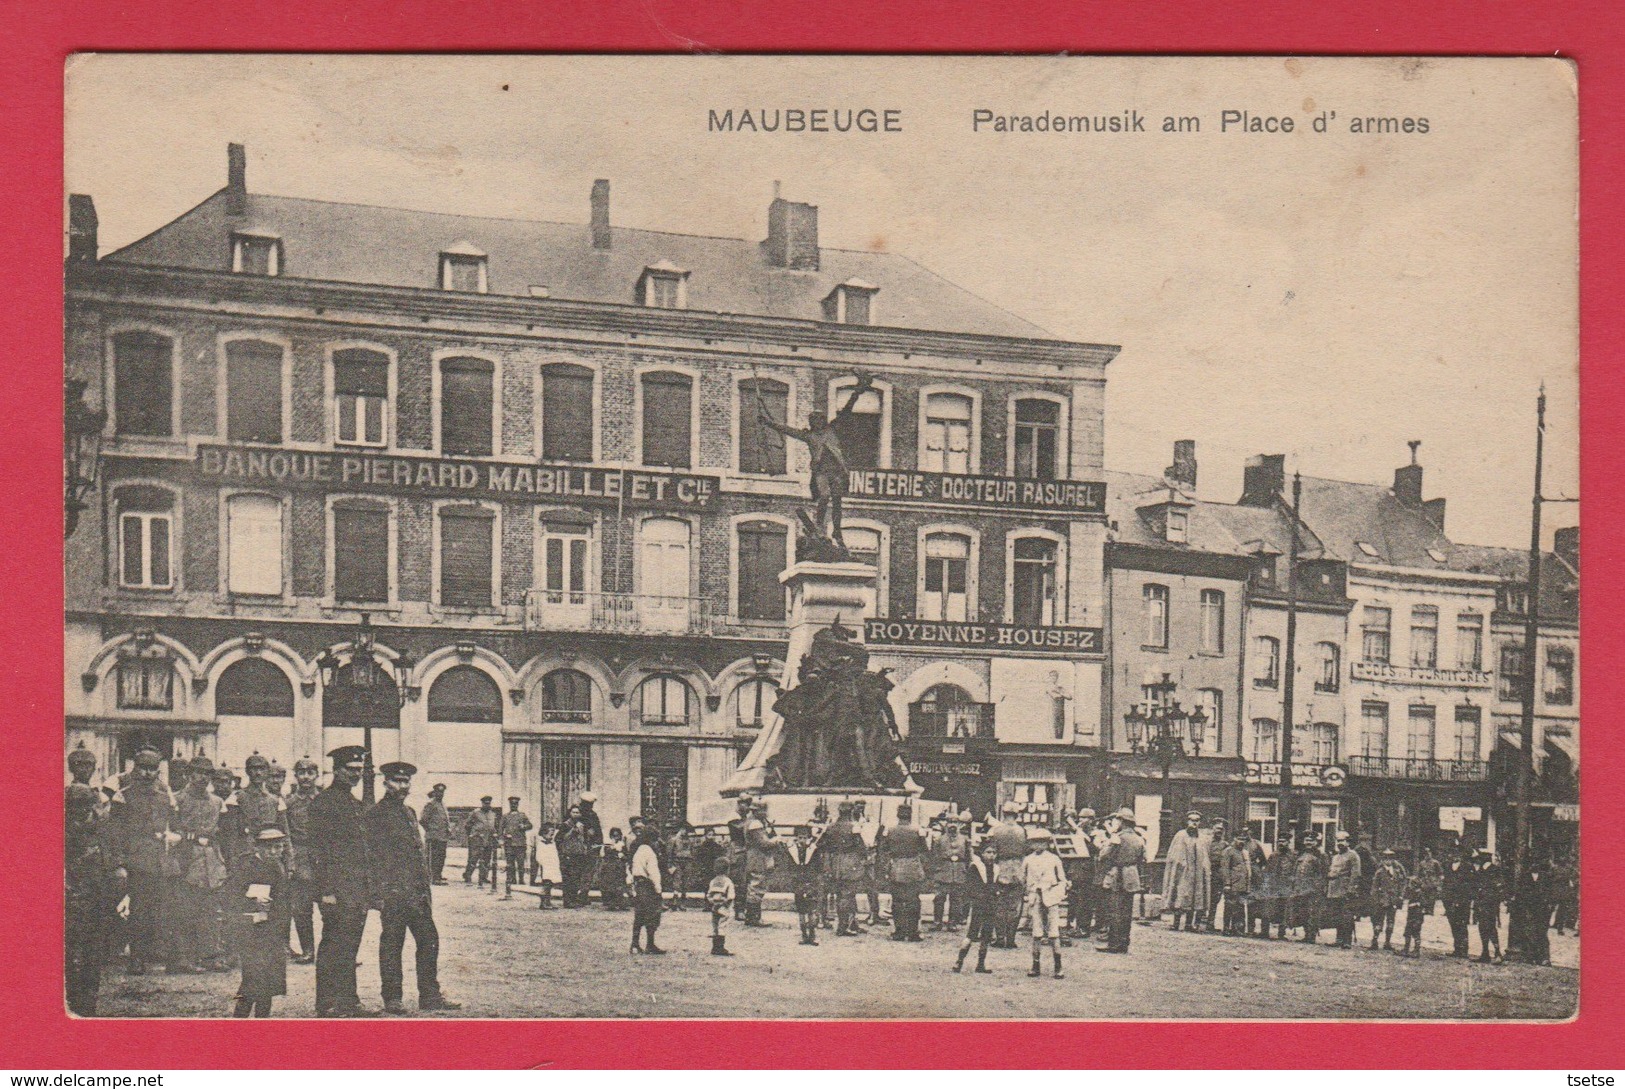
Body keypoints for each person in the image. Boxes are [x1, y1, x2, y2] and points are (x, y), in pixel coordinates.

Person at [366, 761, 460, 1014]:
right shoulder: (376, 814)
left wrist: (424, 887)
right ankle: (392, 997)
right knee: (392, 944)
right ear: (385, 783)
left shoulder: (409, 812)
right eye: (396, 781)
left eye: (406, 781)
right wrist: (381, 892)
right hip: (395, 893)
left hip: (417, 893)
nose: (402, 786)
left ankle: (429, 996)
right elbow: (374, 857)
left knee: (429, 940)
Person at [756, 373, 875, 548]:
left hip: (837, 471)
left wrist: (856, 393)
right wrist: (768, 423)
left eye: (819, 419)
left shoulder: (832, 429)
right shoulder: (809, 435)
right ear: (811, 423)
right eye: (814, 420)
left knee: (837, 500)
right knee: (824, 496)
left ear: (823, 421)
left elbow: (846, 410)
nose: (817, 422)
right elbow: (788, 430)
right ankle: (819, 526)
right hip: (821, 471)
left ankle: (837, 529)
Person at [307, 745, 376, 1018]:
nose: (355, 775)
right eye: (350, 770)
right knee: (332, 945)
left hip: (355, 889)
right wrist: (326, 891)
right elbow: (318, 852)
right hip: (335, 889)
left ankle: (349, 1000)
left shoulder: (356, 805)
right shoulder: (323, 804)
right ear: (337, 770)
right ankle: (326, 1003)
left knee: (350, 946)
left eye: (359, 770)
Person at [106, 747, 178, 976]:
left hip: (160, 858)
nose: (147, 774)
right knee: (139, 910)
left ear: (158, 771)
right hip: (135, 858)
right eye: (143, 768)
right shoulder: (123, 795)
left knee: (161, 909)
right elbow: (114, 832)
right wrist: (118, 863)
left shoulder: (164, 795)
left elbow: (173, 825)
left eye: (152, 769)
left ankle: (155, 954)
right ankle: (136, 957)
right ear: (134, 769)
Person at [65, 747, 113, 1016]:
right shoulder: (62, 809)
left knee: (94, 946)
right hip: (71, 886)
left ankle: (89, 1001)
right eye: (78, 764)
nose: (84, 767)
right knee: (72, 948)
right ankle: (72, 1000)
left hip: (96, 885)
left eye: (88, 764)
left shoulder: (100, 804)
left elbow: (108, 840)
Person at [172, 754, 229, 973]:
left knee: (210, 911)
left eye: (207, 774)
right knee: (185, 910)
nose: (202, 778)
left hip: (212, 860)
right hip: (186, 857)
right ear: (188, 774)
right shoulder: (177, 799)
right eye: (198, 772)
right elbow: (173, 829)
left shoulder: (217, 802)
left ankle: (210, 956)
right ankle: (183, 958)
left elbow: (222, 833)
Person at [230, 828, 292, 1018]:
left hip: (273, 931)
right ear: (258, 847)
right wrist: (252, 902)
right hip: (250, 930)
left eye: (279, 847)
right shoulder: (246, 866)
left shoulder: (279, 867)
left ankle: (262, 1022)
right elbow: (229, 897)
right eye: (270, 848)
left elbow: (284, 903)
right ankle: (238, 1021)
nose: (274, 852)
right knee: (253, 978)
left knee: (270, 980)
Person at [282, 756, 321, 964]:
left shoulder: (324, 800)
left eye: (310, 773)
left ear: (316, 775)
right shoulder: (289, 803)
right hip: (300, 857)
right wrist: (291, 862)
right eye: (301, 773)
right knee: (302, 908)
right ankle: (308, 950)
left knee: (331, 909)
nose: (306, 777)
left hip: (323, 859)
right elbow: (286, 834)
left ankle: (334, 953)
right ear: (295, 776)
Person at [1097, 808, 1147, 954]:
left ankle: (1113, 944)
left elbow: (1103, 855)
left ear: (1122, 822)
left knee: (1114, 911)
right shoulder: (1139, 838)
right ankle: (1124, 943)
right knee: (1127, 912)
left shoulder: (1117, 837)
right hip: (1131, 876)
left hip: (1117, 876)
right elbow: (1143, 859)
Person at [1022, 827, 1067, 978]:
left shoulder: (1054, 859)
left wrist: (1056, 894)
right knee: (1036, 932)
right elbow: (1023, 879)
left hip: (1051, 897)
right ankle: (1035, 965)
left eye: (1042, 843)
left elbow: (1062, 880)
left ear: (1047, 844)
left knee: (1054, 932)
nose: (1038, 846)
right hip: (1036, 897)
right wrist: (1029, 893)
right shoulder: (1028, 859)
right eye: (1035, 843)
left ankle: (1058, 966)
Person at [881, 804, 928, 942]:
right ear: (911, 814)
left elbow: (884, 849)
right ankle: (913, 932)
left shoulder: (890, 831)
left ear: (898, 814)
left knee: (897, 900)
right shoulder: (917, 830)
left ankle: (899, 931)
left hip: (896, 867)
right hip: (913, 867)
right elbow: (924, 849)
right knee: (913, 900)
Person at [953, 840, 1001, 974]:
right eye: (988, 852)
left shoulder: (996, 868)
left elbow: (996, 886)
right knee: (972, 933)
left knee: (987, 935)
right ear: (982, 853)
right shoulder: (975, 867)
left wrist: (996, 893)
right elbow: (970, 887)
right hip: (979, 905)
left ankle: (981, 964)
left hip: (991, 905)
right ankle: (959, 961)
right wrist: (979, 896)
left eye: (994, 853)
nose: (991, 855)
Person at [1161, 811, 1212, 932]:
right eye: (1191, 820)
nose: (1194, 823)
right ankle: (1176, 922)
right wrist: (1182, 865)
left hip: (1198, 873)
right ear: (1187, 821)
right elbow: (1175, 854)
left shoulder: (1203, 838)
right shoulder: (1180, 835)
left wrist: (1204, 868)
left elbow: (1205, 855)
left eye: (1197, 820)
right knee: (1181, 895)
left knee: (1196, 897)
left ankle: (1190, 924)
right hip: (1183, 872)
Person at [822, 802, 868, 935]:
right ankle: (843, 927)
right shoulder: (854, 827)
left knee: (842, 893)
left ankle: (852, 923)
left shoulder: (831, 827)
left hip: (835, 861)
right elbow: (860, 846)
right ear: (851, 811)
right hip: (849, 862)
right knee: (848, 894)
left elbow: (825, 844)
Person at [989, 803, 1029, 948]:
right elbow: (1026, 850)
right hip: (1018, 869)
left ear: (1004, 814)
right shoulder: (1022, 831)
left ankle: (1000, 938)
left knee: (999, 905)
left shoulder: (996, 830)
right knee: (1015, 906)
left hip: (1001, 869)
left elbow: (992, 851)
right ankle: (1011, 940)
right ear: (1017, 815)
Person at [628, 823, 666, 954]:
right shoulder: (650, 853)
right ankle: (650, 944)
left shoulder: (638, 851)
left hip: (639, 885)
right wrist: (658, 889)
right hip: (648, 886)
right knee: (653, 915)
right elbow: (653, 873)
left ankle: (635, 944)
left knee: (639, 915)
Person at [928, 815, 968, 930]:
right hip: (943, 871)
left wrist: (965, 870)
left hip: (959, 871)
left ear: (960, 824)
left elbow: (968, 857)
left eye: (955, 822)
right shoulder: (939, 839)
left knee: (956, 899)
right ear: (946, 823)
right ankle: (937, 922)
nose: (952, 825)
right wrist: (936, 871)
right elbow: (934, 856)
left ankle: (952, 922)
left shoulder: (964, 839)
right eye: (950, 822)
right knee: (939, 898)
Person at [784, 826, 823, 946]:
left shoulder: (814, 850)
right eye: (800, 838)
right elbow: (789, 868)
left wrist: (814, 880)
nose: (802, 840)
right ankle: (804, 935)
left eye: (805, 838)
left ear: (809, 838)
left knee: (811, 910)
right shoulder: (792, 850)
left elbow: (818, 868)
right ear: (796, 838)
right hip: (798, 883)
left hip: (811, 883)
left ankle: (812, 935)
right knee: (801, 910)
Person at [743, 805, 779, 927]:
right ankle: (753, 917)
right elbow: (763, 843)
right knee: (756, 885)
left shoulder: (753, 822)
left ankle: (751, 916)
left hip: (755, 856)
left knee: (755, 885)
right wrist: (776, 840)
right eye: (764, 810)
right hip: (757, 857)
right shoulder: (755, 824)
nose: (766, 813)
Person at [1324, 832, 1362, 949]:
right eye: (1338, 841)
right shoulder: (1335, 857)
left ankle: (1347, 941)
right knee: (1337, 916)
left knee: (1347, 916)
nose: (1340, 843)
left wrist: (1351, 889)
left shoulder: (1353, 855)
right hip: (1334, 890)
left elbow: (1356, 874)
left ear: (1348, 842)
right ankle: (1339, 939)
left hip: (1345, 891)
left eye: (1342, 841)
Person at [1514, 856, 1553, 966]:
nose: (1534, 866)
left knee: (1542, 933)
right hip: (1529, 908)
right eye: (1532, 864)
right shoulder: (1524, 877)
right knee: (1529, 932)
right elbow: (1520, 892)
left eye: (1536, 863)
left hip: (1542, 909)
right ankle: (1531, 956)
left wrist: (1548, 904)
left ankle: (1545, 957)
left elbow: (1549, 892)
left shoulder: (1546, 877)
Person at [1368, 848, 1408, 951]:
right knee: (1379, 922)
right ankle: (1375, 941)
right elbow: (1374, 887)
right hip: (1382, 900)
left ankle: (1387, 942)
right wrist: (1376, 899)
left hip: (1393, 900)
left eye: (1390, 858)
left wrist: (1400, 896)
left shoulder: (1397, 871)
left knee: (1391, 922)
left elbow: (1402, 883)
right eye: (1386, 858)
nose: (1388, 860)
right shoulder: (1380, 872)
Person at [1256, 837, 1295, 940]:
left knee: (1283, 909)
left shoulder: (1292, 856)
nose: (1281, 843)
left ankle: (1282, 933)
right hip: (1272, 886)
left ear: (1288, 842)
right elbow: (1267, 871)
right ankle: (1264, 932)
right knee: (1268, 908)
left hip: (1286, 886)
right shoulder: (1273, 856)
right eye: (1280, 841)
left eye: (1284, 841)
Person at [1441, 843, 1475, 958]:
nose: (1455, 856)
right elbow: (1445, 883)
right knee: (1453, 924)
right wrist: (1445, 899)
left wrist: (1462, 900)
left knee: (1462, 925)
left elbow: (1469, 886)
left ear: (1461, 854)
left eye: (1457, 853)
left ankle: (1464, 950)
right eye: (1453, 853)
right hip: (1449, 901)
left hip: (1462, 901)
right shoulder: (1448, 866)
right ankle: (1457, 948)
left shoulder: (1467, 867)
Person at [1291, 834, 1328, 944]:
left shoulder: (1321, 855)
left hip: (1313, 889)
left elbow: (1323, 873)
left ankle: (1311, 936)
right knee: (1303, 912)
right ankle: (1306, 934)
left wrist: (1318, 887)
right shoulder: (1302, 854)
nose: (1308, 843)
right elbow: (1295, 871)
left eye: (1311, 841)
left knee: (1313, 912)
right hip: (1300, 888)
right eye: (1306, 840)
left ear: (1316, 842)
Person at [1219, 831, 1255, 937]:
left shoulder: (1245, 852)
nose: (1242, 842)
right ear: (1234, 839)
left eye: (1244, 839)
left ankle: (1238, 929)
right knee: (1230, 907)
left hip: (1242, 885)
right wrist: (1227, 884)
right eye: (1239, 839)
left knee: (1240, 908)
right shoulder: (1228, 851)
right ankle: (1226, 928)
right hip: (1232, 885)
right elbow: (1225, 869)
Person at [1472, 848, 1504, 964]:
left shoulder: (1494, 870)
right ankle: (1485, 952)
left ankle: (1497, 952)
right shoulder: (1481, 870)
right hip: (1481, 903)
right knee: (1482, 927)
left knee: (1490, 927)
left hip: (1489, 904)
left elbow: (1498, 888)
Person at [498, 796, 533, 899]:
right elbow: (500, 829)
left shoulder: (522, 816)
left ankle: (521, 879)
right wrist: (501, 839)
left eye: (515, 804)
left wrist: (524, 826)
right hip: (509, 843)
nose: (514, 805)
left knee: (521, 862)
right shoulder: (505, 816)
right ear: (510, 805)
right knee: (510, 863)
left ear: (518, 805)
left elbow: (530, 825)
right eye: (512, 803)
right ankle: (512, 879)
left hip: (520, 843)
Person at [462, 796, 498, 887]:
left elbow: (494, 826)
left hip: (488, 839)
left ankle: (483, 877)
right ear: (482, 804)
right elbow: (467, 825)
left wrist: (495, 835)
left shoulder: (492, 814)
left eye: (488, 803)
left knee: (486, 859)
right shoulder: (475, 813)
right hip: (476, 840)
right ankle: (468, 875)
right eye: (485, 803)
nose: (487, 805)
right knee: (473, 858)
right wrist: (471, 835)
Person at [419, 784, 451, 886]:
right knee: (433, 857)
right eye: (438, 792)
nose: (440, 794)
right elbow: (423, 820)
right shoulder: (430, 804)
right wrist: (430, 830)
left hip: (442, 836)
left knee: (441, 857)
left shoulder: (442, 804)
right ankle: (433, 878)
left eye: (442, 792)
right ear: (434, 792)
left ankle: (438, 875)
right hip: (433, 836)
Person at [558, 807, 590, 907]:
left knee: (577, 877)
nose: (576, 814)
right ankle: (567, 901)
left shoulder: (581, 825)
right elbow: (559, 839)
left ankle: (574, 899)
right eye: (574, 812)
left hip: (579, 853)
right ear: (570, 813)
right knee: (568, 878)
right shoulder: (565, 825)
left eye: (578, 812)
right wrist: (572, 831)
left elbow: (584, 839)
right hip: (568, 854)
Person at [706, 858, 736, 957]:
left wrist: (714, 902)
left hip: (714, 907)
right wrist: (726, 903)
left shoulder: (713, 881)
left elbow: (709, 895)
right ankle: (720, 947)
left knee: (715, 926)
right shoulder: (728, 881)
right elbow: (731, 896)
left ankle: (714, 947)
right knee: (722, 926)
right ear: (728, 869)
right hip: (725, 908)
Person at [1204, 818, 1228, 932]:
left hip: (1218, 874)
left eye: (1222, 829)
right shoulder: (1206, 842)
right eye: (1218, 828)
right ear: (1213, 828)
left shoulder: (1225, 845)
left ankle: (1210, 923)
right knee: (1203, 896)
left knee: (1215, 899)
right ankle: (1197, 922)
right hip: (1206, 872)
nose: (1220, 831)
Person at [666, 823, 695, 910]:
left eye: (686, 830)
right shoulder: (674, 840)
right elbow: (669, 852)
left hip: (687, 861)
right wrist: (670, 864)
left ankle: (683, 901)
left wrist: (692, 861)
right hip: (677, 861)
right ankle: (675, 900)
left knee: (686, 881)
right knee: (677, 881)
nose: (684, 832)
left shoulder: (690, 841)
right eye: (683, 829)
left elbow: (692, 852)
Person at [599, 829, 629, 911]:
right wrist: (613, 849)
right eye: (613, 836)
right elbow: (604, 855)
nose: (616, 837)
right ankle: (611, 903)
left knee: (620, 885)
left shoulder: (622, 845)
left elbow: (626, 856)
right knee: (610, 885)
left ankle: (621, 902)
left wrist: (622, 856)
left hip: (619, 868)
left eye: (617, 835)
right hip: (610, 868)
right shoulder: (608, 845)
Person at [1400, 871, 1429, 958]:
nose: (1409, 886)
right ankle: (1406, 949)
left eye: (1411, 884)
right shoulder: (1413, 893)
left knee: (1416, 932)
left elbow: (1424, 903)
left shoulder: (1420, 893)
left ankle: (1416, 950)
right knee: (1407, 932)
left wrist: (1416, 904)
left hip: (1417, 916)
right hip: (1411, 916)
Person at [534, 824, 562, 909]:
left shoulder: (552, 843)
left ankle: (548, 902)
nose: (552, 836)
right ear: (544, 833)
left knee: (550, 884)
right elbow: (539, 857)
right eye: (550, 834)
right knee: (546, 884)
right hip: (546, 867)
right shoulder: (541, 844)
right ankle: (543, 903)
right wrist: (544, 864)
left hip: (552, 866)